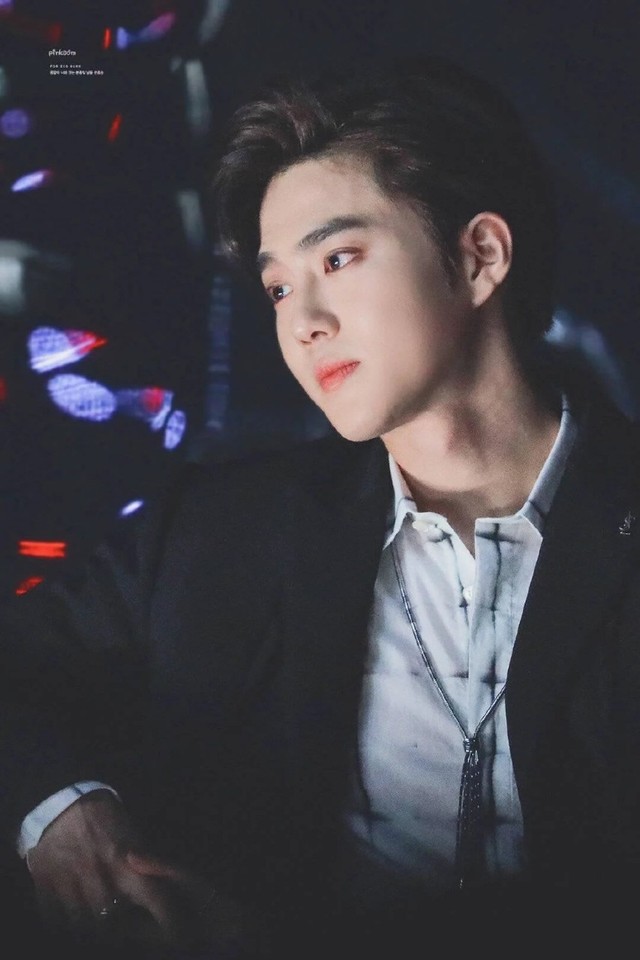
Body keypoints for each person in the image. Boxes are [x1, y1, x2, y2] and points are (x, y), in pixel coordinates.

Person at [1, 54, 640, 957]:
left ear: (480, 256)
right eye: (277, 288)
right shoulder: (221, 531)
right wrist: (59, 811)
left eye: (338, 258)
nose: (302, 321)